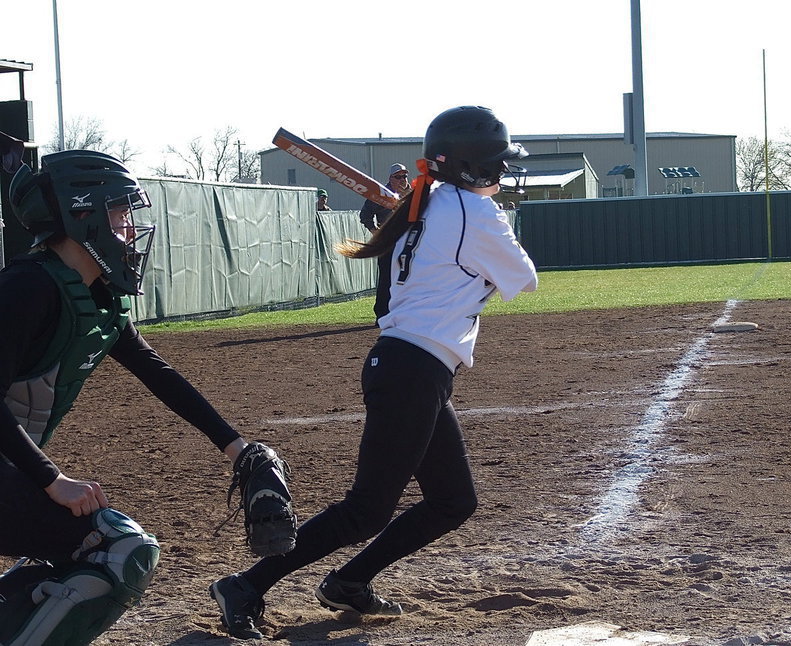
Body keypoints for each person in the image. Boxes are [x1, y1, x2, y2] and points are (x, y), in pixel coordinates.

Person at [209, 106, 537, 640]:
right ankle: (246, 586)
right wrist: (480, 213)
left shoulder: (423, 205)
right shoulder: (471, 213)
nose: (503, 174)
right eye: (497, 165)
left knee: (453, 501)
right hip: (412, 369)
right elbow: (524, 278)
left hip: (411, 366)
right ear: (473, 167)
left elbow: (397, 295)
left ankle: (350, 580)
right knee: (366, 510)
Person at [0, 150, 295, 645]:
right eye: (119, 215)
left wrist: (239, 450)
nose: (130, 230)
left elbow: (160, 375)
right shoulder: (28, 287)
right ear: (82, 215)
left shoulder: (94, 296)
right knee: (118, 550)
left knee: (86, 551)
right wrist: (52, 481)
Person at [359, 163, 411, 324]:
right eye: (398, 177)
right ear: (390, 178)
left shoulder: (412, 194)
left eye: (404, 176)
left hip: (408, 240)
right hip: (388, 241)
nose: (402, 180)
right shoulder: (381, 194)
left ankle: (404, 312)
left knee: (408, 277)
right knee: (386, 278)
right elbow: (365, 215)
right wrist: (375, 231)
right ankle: (382, 313)